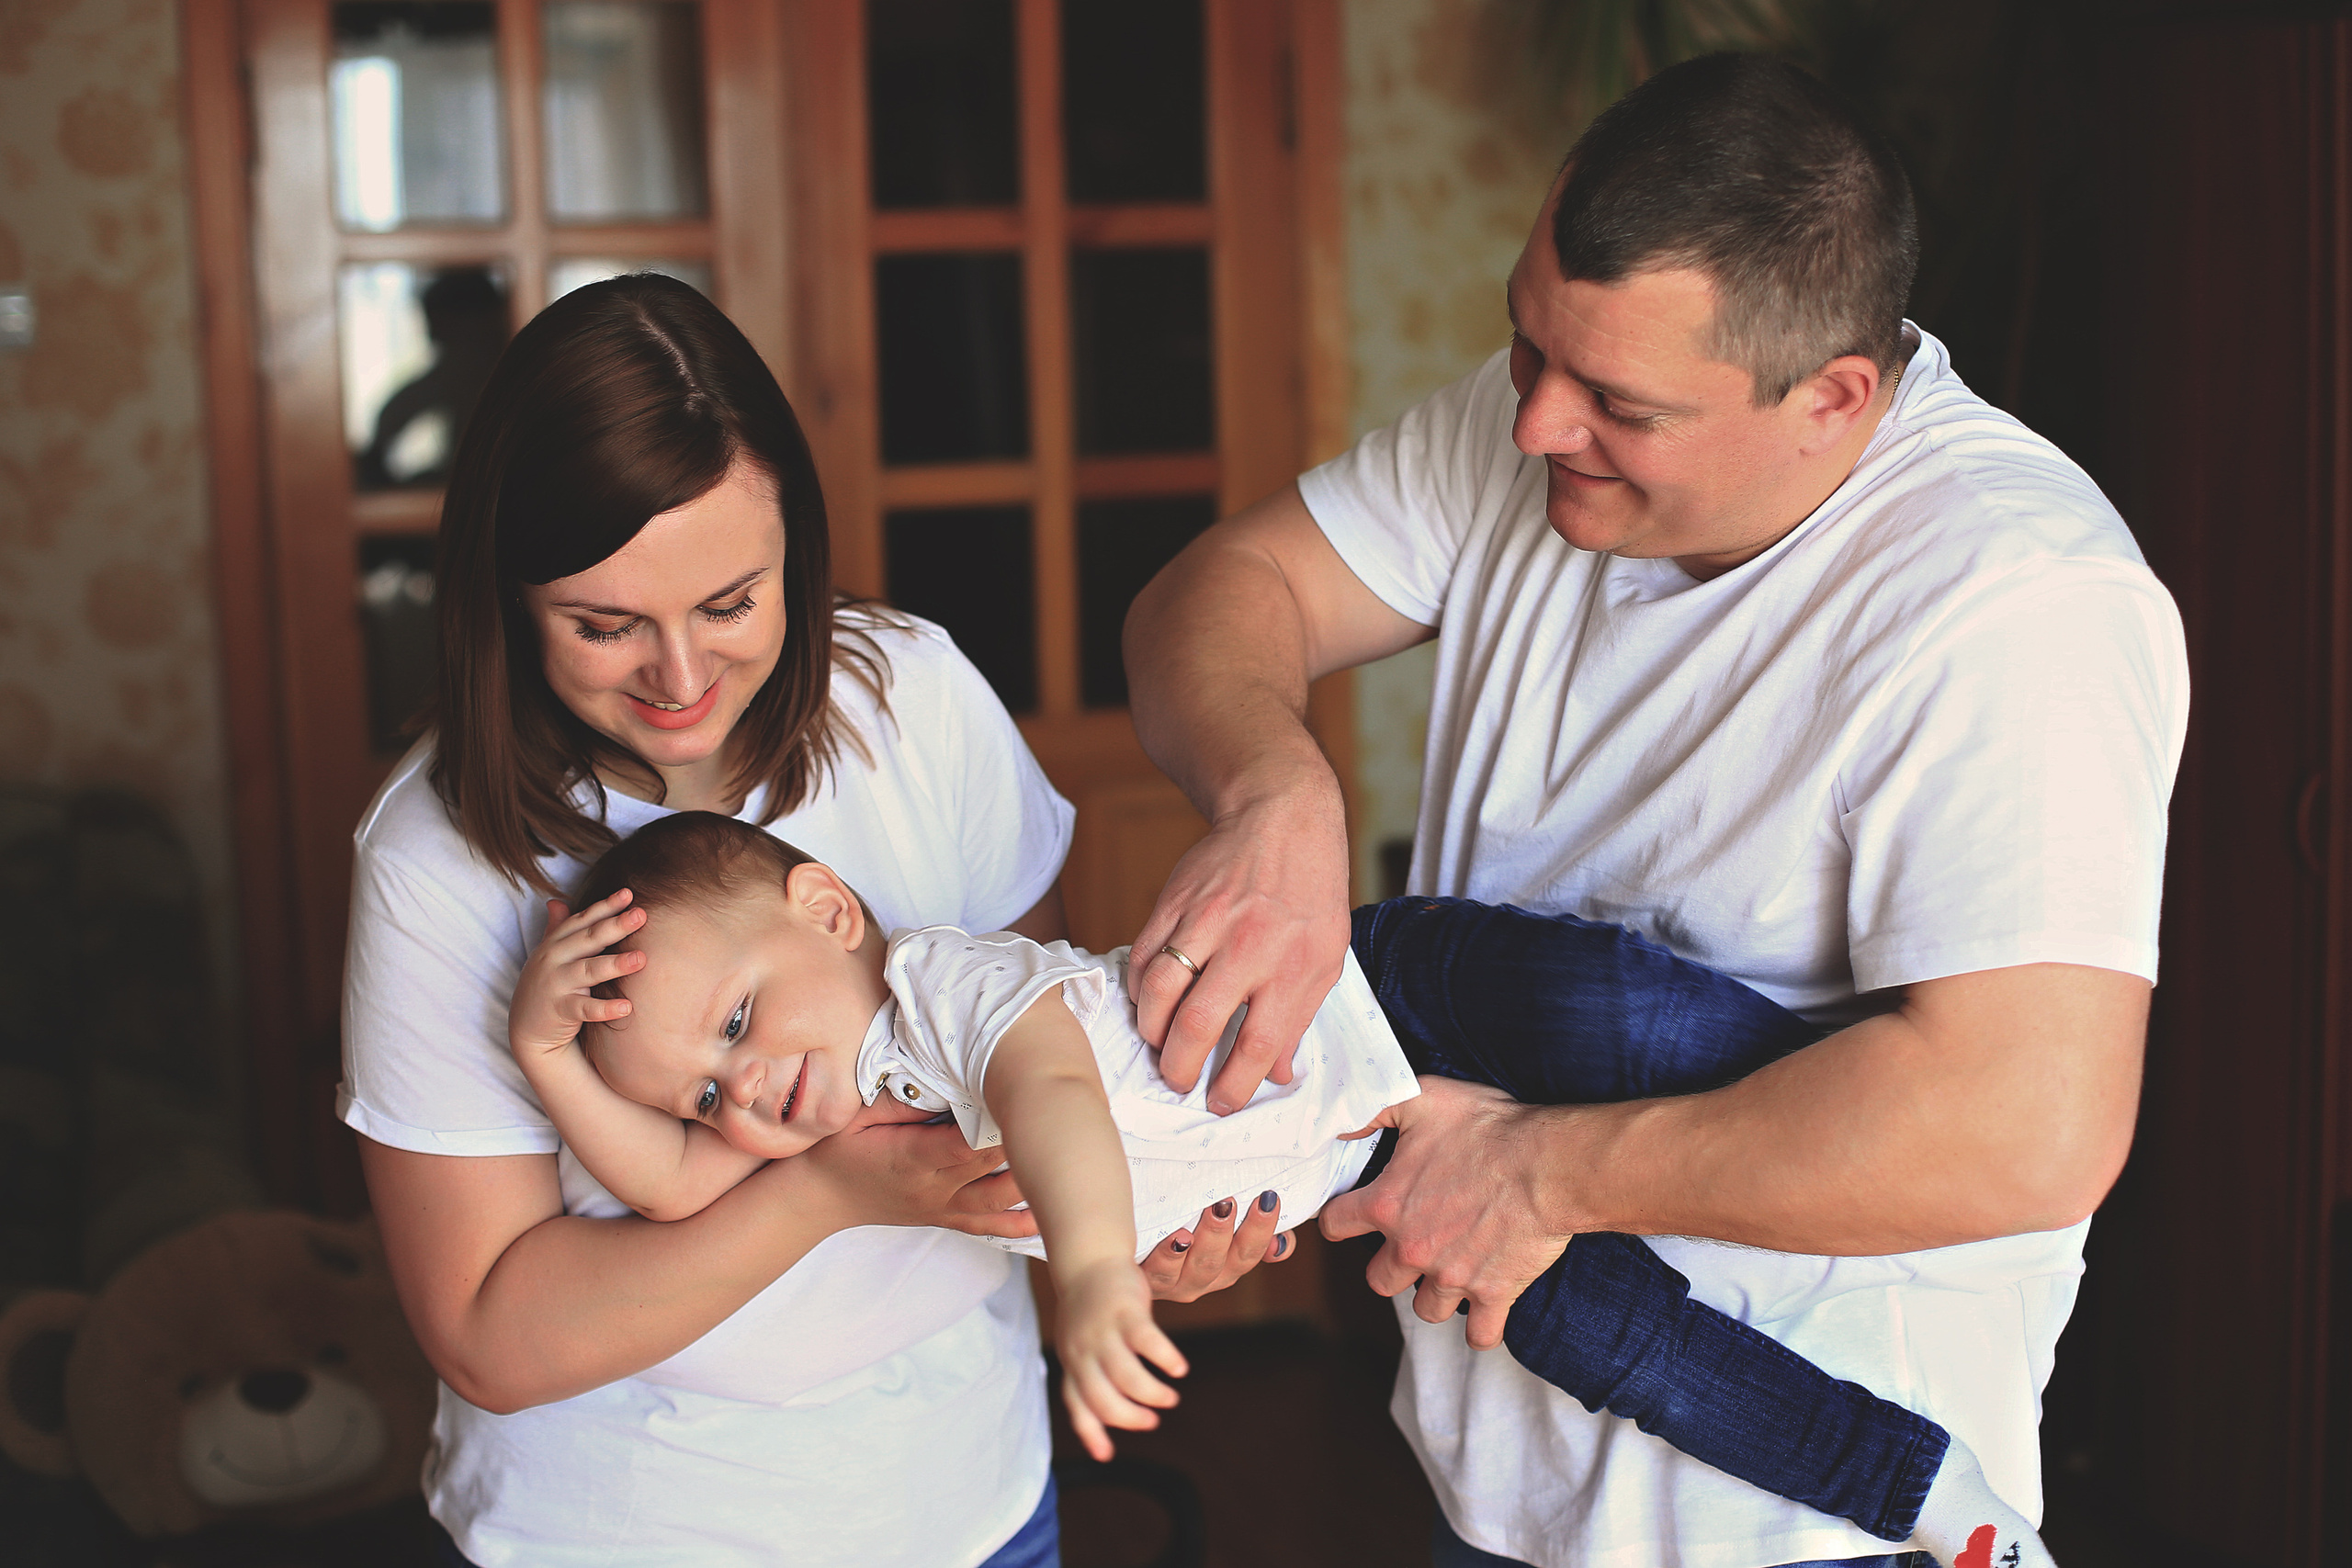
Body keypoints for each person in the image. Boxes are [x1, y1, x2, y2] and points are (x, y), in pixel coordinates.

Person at [1121, 53, 2188, 1568]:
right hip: (1499, 1475)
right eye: (1525, 346)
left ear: (1833, 401)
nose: (1535, 425)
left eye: (1620, 402)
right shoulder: (1547, 423)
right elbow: (1218, 596)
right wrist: (1272, 790)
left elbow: (2027, 1127)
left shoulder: (2019, 603)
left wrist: (1536, 1172)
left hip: (1796, 1520)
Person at [337, 274, 1276, 1568]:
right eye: (605, 626)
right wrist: (829, 1189)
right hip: (630, 1526)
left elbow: (1057, 1047)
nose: (679, 680)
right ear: (505, 602)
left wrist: (1132, 1237)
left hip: (969, 1495)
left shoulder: (913, 699)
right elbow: (489, 1337)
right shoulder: (436, 854)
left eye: (731, 602)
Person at [511, 808, 2052, 1567]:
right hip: (1378, 1159)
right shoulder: (853, 1135)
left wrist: (1097, 1271)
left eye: (734, 1023)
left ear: (825, 910)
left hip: (1384, 999)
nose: (745, 1089)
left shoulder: (935, 990)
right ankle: (1933, 1503)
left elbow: (1053, 1094)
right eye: (710, 1094)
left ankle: (1894, 1112)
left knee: (1642, 1029)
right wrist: (554, 1059)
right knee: (1628, 1353)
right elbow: (664, 1192)